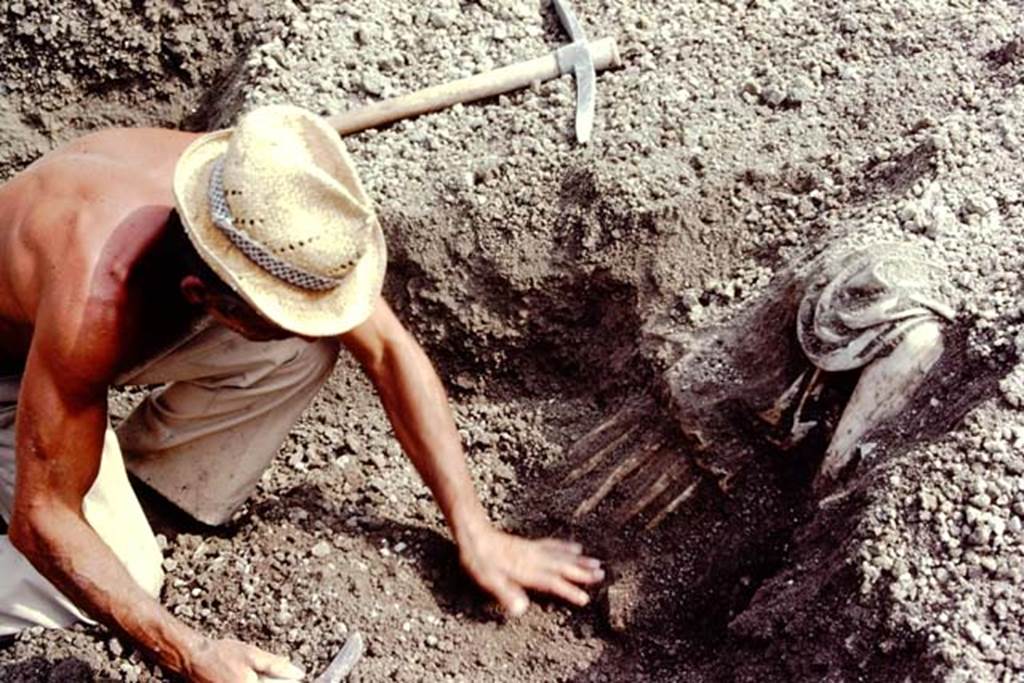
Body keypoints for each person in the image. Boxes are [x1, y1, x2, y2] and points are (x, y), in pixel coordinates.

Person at [0, 105, 603, 682]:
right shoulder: (94, 301)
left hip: (57, 345)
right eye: (278, 310)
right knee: (101, 577)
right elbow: (43, 515)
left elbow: (389, 352)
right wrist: (189, 652)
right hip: (12, 369)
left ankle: (146, 495)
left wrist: (476, 529)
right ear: (206, 297)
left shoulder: (243, 202)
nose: (324, 319)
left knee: (297, 346)